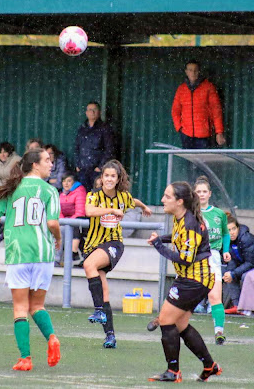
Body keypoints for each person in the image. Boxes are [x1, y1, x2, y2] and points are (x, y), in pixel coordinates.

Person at [0, 148, 62, 371]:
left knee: (20, 307)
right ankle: (52, 338)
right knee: (37, 305)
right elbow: (52, 224)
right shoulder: (50, 191)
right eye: (47, 160)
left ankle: (25, 358)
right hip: (42, 254)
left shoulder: (12, 189)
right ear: (35, 165)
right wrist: (58, 239)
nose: (51, 164)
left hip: (18, 253)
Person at [146, 182, 222, 383]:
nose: (163, 200)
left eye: (167, 196)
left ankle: (173, 372)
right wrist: (161, 238)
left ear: (180, 202)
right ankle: (210, 366)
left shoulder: (190, 224)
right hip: (194, 279)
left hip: (194, 280)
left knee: (165, 321)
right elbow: (179, 238)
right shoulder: (180, 217)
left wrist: (157, 246)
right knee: (179, 324)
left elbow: (185, 259)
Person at [83, 159, 152, 348]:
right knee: (104, 291)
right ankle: (110, 335)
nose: (109, 179)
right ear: (102, 178)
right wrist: (112, 209)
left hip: (113, 244)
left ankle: (98, 311)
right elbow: (89, 211)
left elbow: (133, 201)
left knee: (89, 265)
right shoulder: (93, 196)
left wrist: (144, 207)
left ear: (118, 178)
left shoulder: (123, 197)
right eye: (106, 175)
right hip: (93, 245)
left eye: (113, 176)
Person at [192, 176, 230, 344]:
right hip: (193, 257)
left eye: (204, 192)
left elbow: (225, 234)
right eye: (198, 192)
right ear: (194, 193)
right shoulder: (189, 213)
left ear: (210, 194)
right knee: (184, 295)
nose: (201, 194)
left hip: (213, 256)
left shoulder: (219, 214)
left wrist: (226, 251)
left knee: (215, 296)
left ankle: (219, 332)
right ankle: (172, 326)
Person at [171, 60, 225, 149]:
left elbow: (216, 111)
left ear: (199, 71)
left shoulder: (208, 87)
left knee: (202, 162)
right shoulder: (181, 89)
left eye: (195, 70)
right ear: (186, 72)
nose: (193, 72)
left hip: (204, 135)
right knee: (188, 162)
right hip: (186, 134)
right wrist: (179, 128)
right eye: (190, 70)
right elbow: (175, 110)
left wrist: (219, 132)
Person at [74, 101, 115, 192]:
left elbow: (109, 149)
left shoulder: (105, 128)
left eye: (94, 110)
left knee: (98, 194)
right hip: (83, 169)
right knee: (83, 195)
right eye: (89, 110)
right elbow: (77, 147)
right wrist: (77, 164)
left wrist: (100, 167)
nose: (92, 112)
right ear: (86, 112)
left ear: (99, 112)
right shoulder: (82, 128)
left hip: (96, 170)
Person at [223, 216, 254, 312]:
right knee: (228, 274)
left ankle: (247, 307)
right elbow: (231, 260)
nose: (231, 232)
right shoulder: (226, 241)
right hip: (245, 265)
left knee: (244, 276)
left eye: (233, 229)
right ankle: (236, 306)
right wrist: (230, 273)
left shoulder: (247, 239)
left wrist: (233, 273)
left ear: (238, 228)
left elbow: (250, 262)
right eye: (228, 230)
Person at [58, 172, 86, 266]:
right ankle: (57, 259)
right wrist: (63, 221)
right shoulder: (61, 194)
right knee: (59, 229)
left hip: (79, 221)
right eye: (64, 181)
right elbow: (59, 212)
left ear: (74, 183)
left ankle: (73, 254)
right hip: (67, 221)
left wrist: (67, 222)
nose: (66, 183)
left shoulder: (79, 191)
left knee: (71, 228)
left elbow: (80, 212)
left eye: (69, 181)